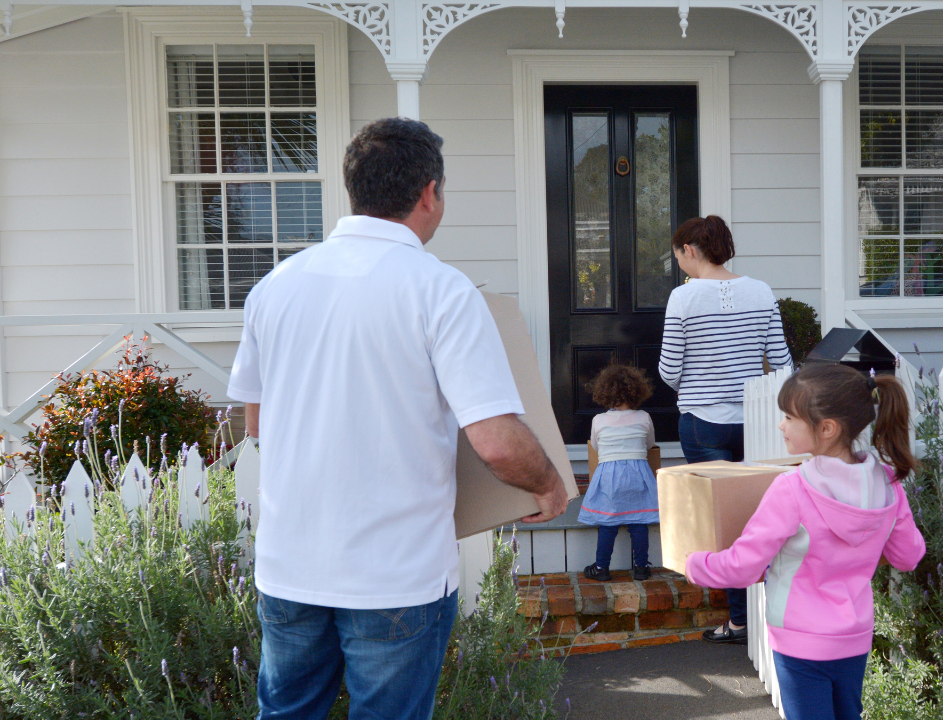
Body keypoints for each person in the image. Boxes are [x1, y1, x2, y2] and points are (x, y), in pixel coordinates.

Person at [227, 117, 568, 720]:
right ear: (429, 193)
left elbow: (256, 425)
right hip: (396, 576)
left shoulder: (276, 286)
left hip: (291, 567)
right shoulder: (440, 290)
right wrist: (547, 483)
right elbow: (494, 442)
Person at [683, 363, 927, 720]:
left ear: (826, 428)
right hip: (854, 635)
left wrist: (693, 564)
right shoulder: (888, 482)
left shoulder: (793, 489)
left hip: (799, 638)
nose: (781, 425)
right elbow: (908, 556)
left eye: (788, 417)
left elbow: (743, 567)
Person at [658, 214, 793, 644]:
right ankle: (768, 616)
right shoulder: (761, 291)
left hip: (703, 424)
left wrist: (700, 384)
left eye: (678, 254)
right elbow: (783, 362)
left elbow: (668, 369)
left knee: (725, 525)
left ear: (691, 250)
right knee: (763, 519)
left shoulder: (683, 299)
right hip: (756, 423)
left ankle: (739, 621)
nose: (679, 261)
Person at [577, 364, 660, 582]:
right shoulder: (643, 417)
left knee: (608, 522)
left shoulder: (599, 420)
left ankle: (602, 567)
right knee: (639, 520)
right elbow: (650, 443)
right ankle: (641, 567)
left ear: (605, 392)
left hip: (609, 475)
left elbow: (595, 446)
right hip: (638, 473)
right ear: (637, 391)